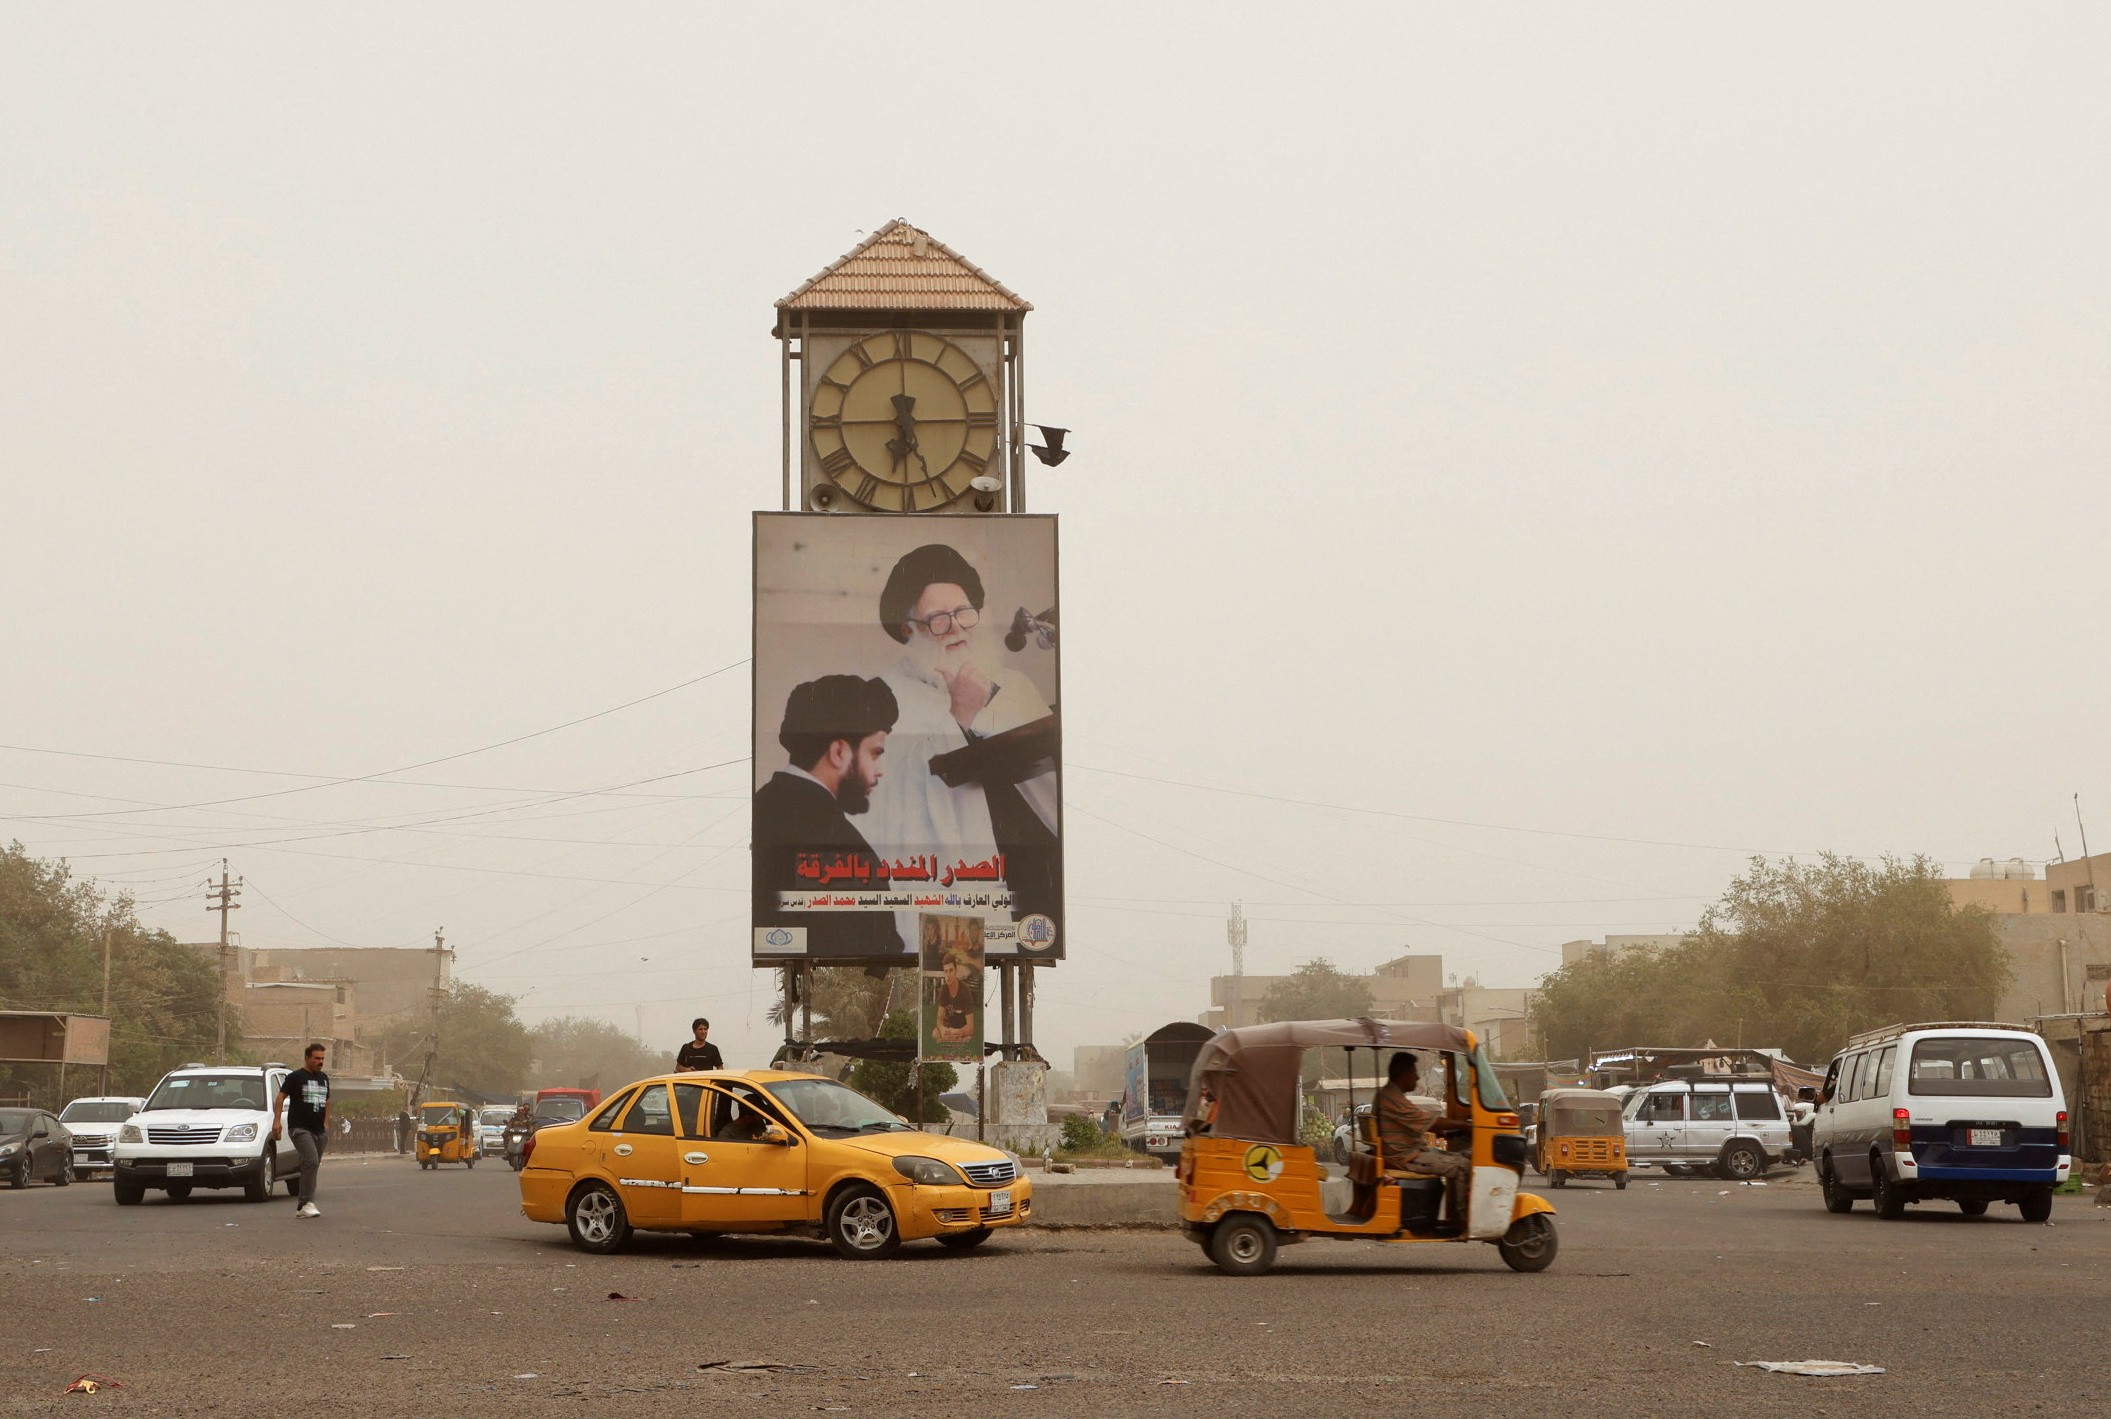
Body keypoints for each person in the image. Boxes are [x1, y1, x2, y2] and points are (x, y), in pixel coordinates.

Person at [868, 544, 1060, 925]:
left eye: (963, 613)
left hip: (1042, 867)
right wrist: (960, 715)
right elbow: (894, 792)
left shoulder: (1014, 685)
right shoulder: (881, 697)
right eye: (939, 618)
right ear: (909, 630)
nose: (956, 627)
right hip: (955, 881)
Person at [753, 674, 907, 959]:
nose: (880, 769)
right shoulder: (842, 845)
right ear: (839, 752)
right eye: (875, 754)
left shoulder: (762, 806)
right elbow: (881, 950)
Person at [1375, 1051, 1470, 1229]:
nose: (1417, 1077)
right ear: (1402, 1074)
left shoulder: (1390, 1095)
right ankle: (1462, 1221)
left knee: (1463, 1156)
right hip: (1406, 1157)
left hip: (1410, 1151)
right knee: (1462, 1165)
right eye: (1414, 1072)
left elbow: (1414, 1126)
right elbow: (1432, 1122)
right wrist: (1467, 1126)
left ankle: (1456, 1217)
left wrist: (1448, 1133)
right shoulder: (1393, 1099)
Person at [273, 1042, 331, 1219]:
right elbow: (281, 1097)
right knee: (311, 1161)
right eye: (316, 1058)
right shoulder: (295, 1077)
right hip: (300, 1128)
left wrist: (326, 1124)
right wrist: (277, 1121)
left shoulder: (323, 1078)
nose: (320, 1062)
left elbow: (327, 1101)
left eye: (322, 1058)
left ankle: (303, 1206)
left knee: (311, 1165)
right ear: (307, 1058)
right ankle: (306, 1202)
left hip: (319, 1130)